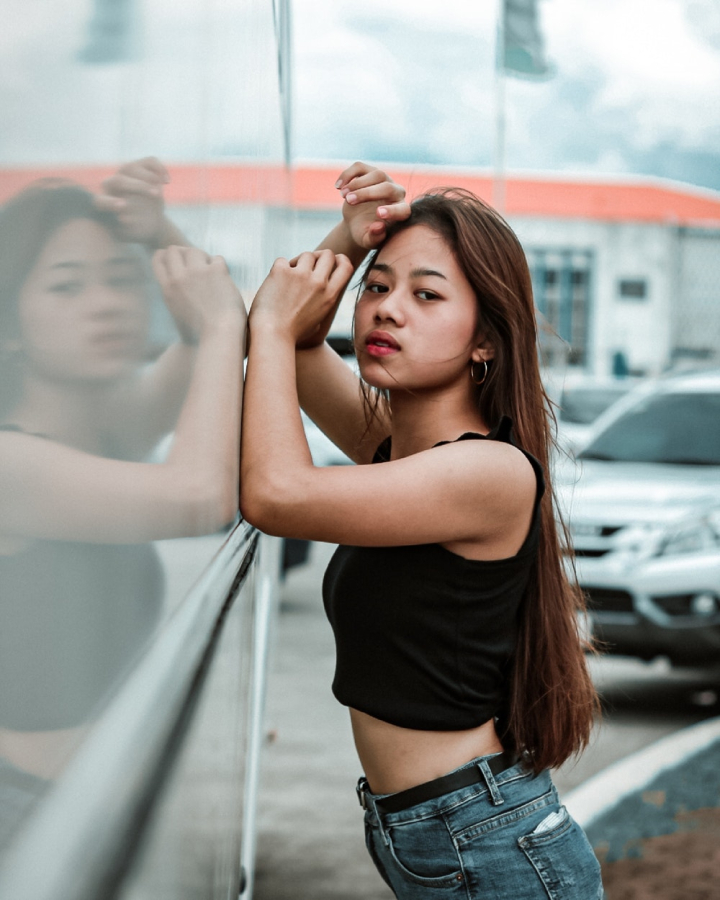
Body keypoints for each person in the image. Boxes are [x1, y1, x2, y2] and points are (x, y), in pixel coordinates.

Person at [240, 162, 603, 899]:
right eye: (378, 286)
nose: (387, 308)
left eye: (426, 294)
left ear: (485, 342)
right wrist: (351, 235)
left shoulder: (490, 474)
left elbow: (275, 494)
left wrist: (270, 324)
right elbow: (307, 343)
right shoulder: (398, 453)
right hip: (432, 831)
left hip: (489, 842)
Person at [0, 158, 245, 847]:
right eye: (66, 286)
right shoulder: (9, 465)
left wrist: (156, 230)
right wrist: (226, 321)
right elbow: (198, 497)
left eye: (120, 279)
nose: (107, 303)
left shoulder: (105, 428)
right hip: (25, 825)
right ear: (10, 323)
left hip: (95, 810)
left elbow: (198, 343)